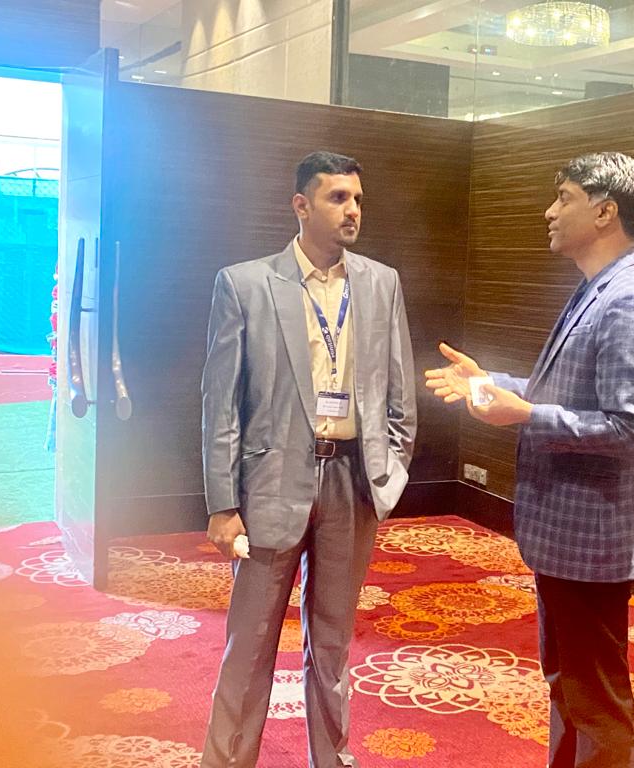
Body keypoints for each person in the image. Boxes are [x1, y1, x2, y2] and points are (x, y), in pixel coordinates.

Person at [425, 152, 634, 768]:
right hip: (568, 534)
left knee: (596, 699)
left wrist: (526, 415)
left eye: (564, 197)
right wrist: (493, 384)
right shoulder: (598, 288)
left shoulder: (631, 300)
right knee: (569, 685)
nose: (549, 211)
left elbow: (630, 429)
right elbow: (563, 392)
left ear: (605, 211)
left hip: (591, 538)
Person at [200, 151, 416, 768]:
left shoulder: (381, 283)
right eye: (337, 198)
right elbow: (221, 404)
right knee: (250, 645)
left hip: (352, 482)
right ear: (301, 205)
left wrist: (388, 477)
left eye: (358, 200)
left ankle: (333, 758)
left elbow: (399, 395)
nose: (353, 211)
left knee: (333, 642)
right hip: (270, 483)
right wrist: (223, 503)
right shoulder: (245, 284)